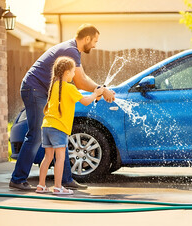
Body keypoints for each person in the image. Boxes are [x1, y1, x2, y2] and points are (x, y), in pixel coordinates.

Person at [9, 24, 115, 191]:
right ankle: (18, 179)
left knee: (59, 131)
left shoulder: (72, 50)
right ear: (87, 38)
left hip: (39, 90)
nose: (95, 45)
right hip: (34, 89)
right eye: (95, 41)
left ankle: (65, 179)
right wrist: (101, 90)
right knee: (35, 135)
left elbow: (82, 77)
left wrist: (98, 89)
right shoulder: (71, 50)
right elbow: (80, 81)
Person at [36, 57, 104, 195]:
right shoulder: (69, 87)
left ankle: (41, 186)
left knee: (48, 157)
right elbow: (85, 101)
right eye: (73, 71)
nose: (74, 74)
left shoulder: (54, 85)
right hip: (59, 128)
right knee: (60, 158)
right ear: (66, 72)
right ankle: (58, 187)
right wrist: (96, 93)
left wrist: (94, 96)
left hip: (47, 125)